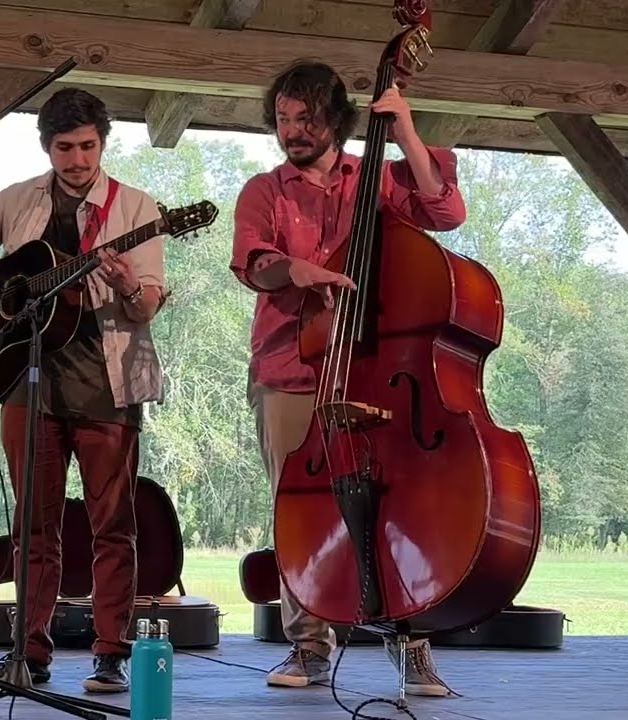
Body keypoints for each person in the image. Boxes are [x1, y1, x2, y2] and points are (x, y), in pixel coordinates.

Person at [0, 88, 168, 694]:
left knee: (113, 528)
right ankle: (28, 652)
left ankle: (111, 654)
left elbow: (147, 306)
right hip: (24, 383)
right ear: (46, 147)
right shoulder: (20, 198)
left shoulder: (136, 207)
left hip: (107, 387)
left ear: (103, 143)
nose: (78, 159)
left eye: (88, 146)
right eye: (64, 148)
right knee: (33, 528)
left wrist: (127, 285)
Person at [230, 60, 466, 696]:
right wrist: (297, 270)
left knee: (400, 501)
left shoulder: (377, 177)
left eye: (306, 119)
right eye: (283, 119)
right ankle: (309, 646)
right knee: (299, 506)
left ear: (336, 119)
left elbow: (446, 212)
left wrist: (407, 131)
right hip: (291, 367)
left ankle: (410, 643)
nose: (292, 131)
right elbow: (254, 263)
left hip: (376, 369)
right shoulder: (264, 190)